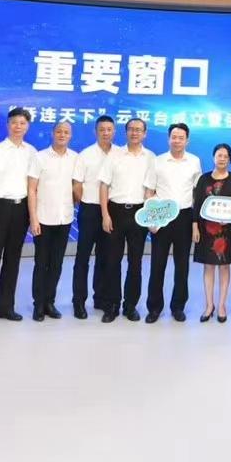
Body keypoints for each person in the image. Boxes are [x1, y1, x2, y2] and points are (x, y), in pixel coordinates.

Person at [0, 107, 36, 325]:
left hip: (20, 210)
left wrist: (32, 215)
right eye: (14, 122)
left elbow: (32, 186)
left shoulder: (31, 152)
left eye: (22, 123)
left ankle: (5, 307)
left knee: (13, 260)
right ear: (8, 125)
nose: (18, 126)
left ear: (27, 126)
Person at [99, 118, 155, 322]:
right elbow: (104, 186)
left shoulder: (150, 158)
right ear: (126, 132)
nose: (134, 133)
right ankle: (112, 305)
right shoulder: (114, 155)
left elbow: (150, 190)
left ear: (145, 133)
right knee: (112, 261)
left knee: (135, 262)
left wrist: (150, 217)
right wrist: (105, 214)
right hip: (115, 211)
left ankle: (130, 305)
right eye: (131, 129)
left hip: (139, 213)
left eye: (138, 130)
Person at [145, 122, 199, 323]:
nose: (177, 141)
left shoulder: (194, 161)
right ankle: (154, 308)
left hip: (184, 216)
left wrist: (195, 222)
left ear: (187, 140)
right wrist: (151, 219)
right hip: (162, 217)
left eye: (181, 138)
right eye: (174, 137)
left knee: (182, 265)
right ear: (169, 139)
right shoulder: (158, 161)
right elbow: (149, 191)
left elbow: (196, 193)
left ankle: (178, 307)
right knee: (157, 264)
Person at [71, 115, 123, 319]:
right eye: (102, 129)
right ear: (96, 131)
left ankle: (101, 298)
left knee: (106, 257)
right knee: (83, 257)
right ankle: (78, 302)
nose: (106, 133)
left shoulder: (121, 153)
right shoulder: (85, 155)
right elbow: (77, 185)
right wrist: (85, 203)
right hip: (90, 210)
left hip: (113, 211)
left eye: (109, 129)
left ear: (114, 131)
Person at [29, 121, 79, 321]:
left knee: (56, 264)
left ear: (70, 136)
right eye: (59, 131)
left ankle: (50, 302)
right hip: (42, 218)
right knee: (41, 263)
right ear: (52, 133)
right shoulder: (39, 157)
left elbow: (76, 187)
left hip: (64, 218)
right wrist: (33, 218)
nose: (62, 135)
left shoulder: (75, 158)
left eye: (66, 132)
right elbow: (31, 189)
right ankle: (38, 304)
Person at [194, 143, 231, 321]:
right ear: (213, 158)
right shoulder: (204, 179)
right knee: (208, 266)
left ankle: (221, 305)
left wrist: (230, 218)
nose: (221, 159)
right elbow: (197, 205)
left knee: (224, 266)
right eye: (218, 155)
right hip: (206, 229)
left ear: (230, 159)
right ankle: (209, 305)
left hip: (227, 231)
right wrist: (194, 226)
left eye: (225, 156)